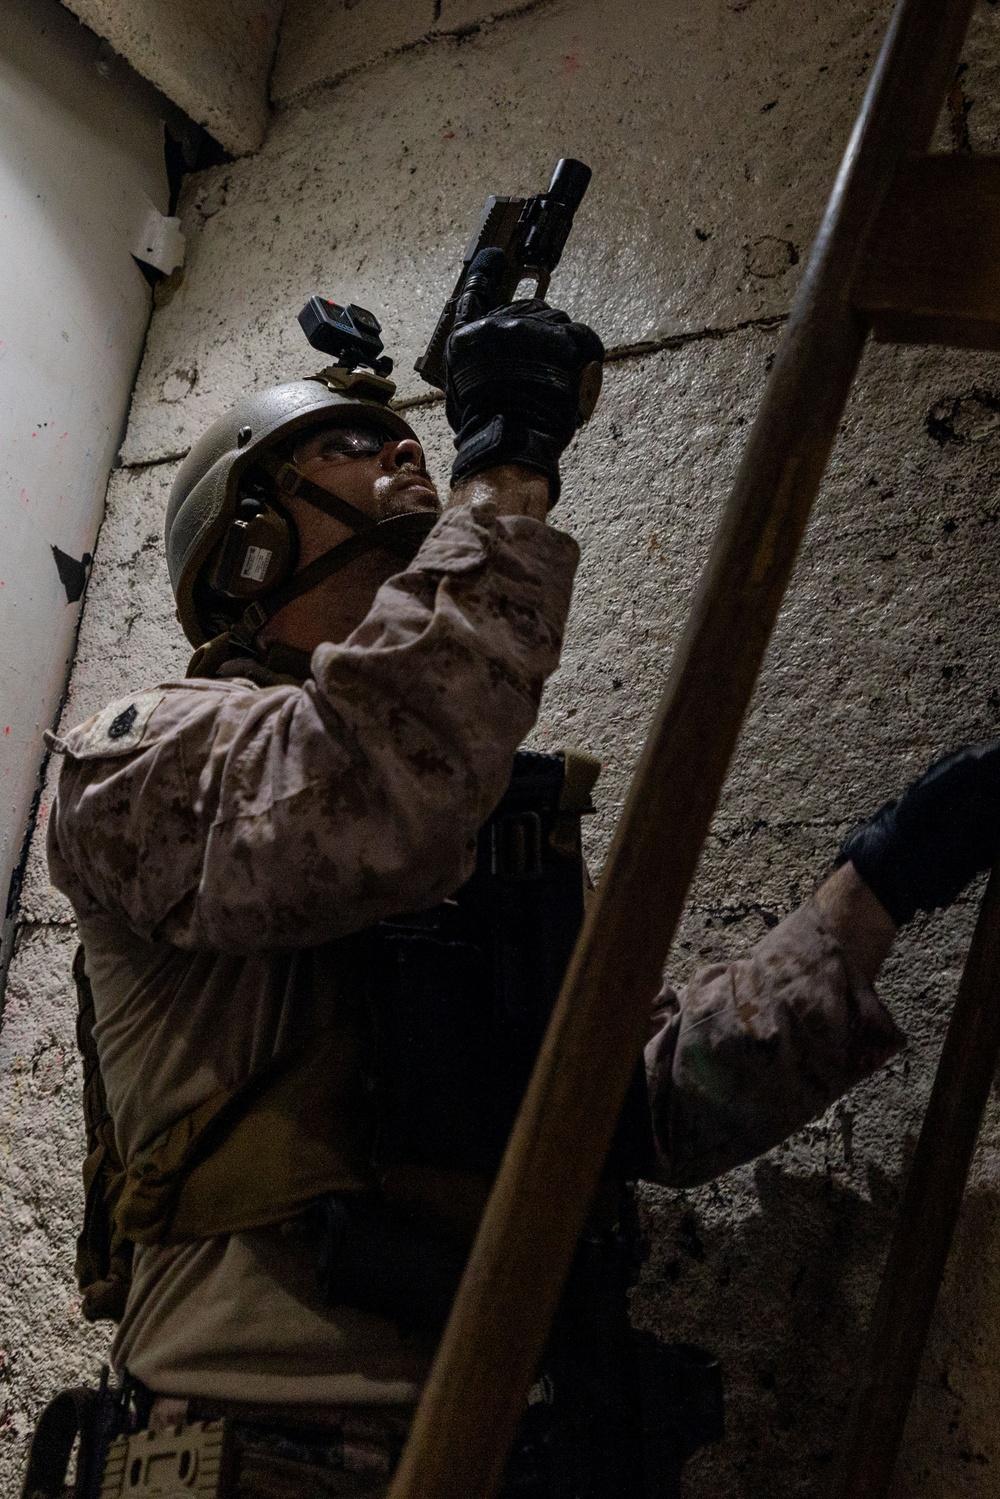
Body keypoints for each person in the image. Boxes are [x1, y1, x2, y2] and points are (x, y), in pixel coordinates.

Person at [38, 287, 1000, 1498]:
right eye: (340, 443)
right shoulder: (143, 758)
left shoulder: (485, 818)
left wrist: (883, 877)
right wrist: (503, 485)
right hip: (259, 1456)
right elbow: (370, 794)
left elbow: (640, 1107)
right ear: (247, 543)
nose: (404, 450)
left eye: (412, 443)